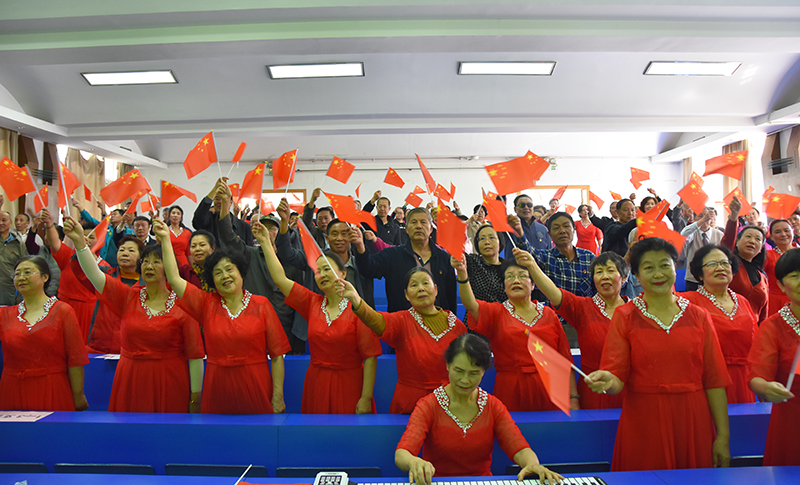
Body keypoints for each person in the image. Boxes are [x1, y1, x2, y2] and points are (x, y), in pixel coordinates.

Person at [586, 237, 731, 471]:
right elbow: (616, 377)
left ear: (675, 268)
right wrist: (606, 380)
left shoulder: (699, 315)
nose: (658, 274)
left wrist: (723, 436)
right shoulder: (625, 316)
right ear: (636, 275)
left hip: (693, 418)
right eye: (648, 268)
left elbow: (714, 379)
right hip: (644, 419)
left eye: (664, 265)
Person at [64, 217, 205, 413]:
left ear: (169, 267)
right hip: (130, 379)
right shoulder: (129, 297)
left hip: (170, 381)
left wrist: (195, 398)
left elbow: (195, 356)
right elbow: (95, 275)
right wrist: (80, 243)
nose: (149, 266)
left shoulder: (183, 305)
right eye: (145, 261)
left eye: (156, 262)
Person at [156, 219, 290, 414]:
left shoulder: (261, 304)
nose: (225, 276)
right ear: (212, 280)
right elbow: (175, 279)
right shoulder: (205, 303)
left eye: (229, 269)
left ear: (241, 273)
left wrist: (278, 395)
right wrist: (165, 239)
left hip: (256, 384)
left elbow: (277, 356)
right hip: (217, 386)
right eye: (218, 273)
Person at [395, 334, 564, 484]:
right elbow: (402, 453)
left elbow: (519, 448)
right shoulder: (428, 405)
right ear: (447, 366)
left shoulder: (493, 406)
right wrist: (414, 462)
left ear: (484, 371)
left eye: (474, 373)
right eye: (459, 371)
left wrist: (532, 464)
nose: (465, 380)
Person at [257, 217, 381, 414]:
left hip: (350, 384)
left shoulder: (358, 309)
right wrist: (265, 243)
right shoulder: (311, 303)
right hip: (316, 383)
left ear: (343, 274)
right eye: (318, 271)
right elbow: (280, 279)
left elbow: (371, 358)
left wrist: (365, 398)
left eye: (327, 269)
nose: (321, 274)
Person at [453, 250, 578, 412]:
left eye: (522, 276)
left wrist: (573, 397)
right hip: (510, 389)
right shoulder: (497, 312)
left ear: (533, 285)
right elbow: (471, 305)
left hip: (550, 389)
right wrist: (462, 274)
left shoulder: (549, 314)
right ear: (504, 287)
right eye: (510, 276)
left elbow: (565, 360)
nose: (516, 280)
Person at [337, 266, 467, 414]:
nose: (421, 288)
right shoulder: (401, 321)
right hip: (410, 404)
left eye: (426, 283)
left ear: (436, 289)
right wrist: (356, 299)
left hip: (449, 402)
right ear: (406, 295)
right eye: (414, 285)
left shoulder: (457, 326)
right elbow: (376, 321)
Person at [524, 250, 628, 409]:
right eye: (599, 272)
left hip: (629, 391)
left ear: (624, 277)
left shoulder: (636, 311)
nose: (604, 276)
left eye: (610, 270)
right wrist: (532, 265)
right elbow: (554, 293)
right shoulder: (583, 308)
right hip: (594, 391)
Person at [0, 256, 89, 411]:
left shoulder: (62, 311)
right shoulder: (4, 315)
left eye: (27, 272)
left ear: (45, 277)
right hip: (12, 389)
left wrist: (78, 394)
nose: (21, 277)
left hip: (52, 387)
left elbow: (75, 358)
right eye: (17, 274)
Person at [683, 245, 757, 404]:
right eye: (712, 264)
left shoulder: (743, 301)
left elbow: (756, 344)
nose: (720, 268)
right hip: (709, 379)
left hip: (744, 379)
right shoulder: (688, 302)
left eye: (724, 263)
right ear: (700, 274)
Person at [748, 247, 800, 466]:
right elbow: (757, 376)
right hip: (793, 418)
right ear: (781, 285)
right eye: (795, 276)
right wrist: (766, 387)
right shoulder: (773, 326)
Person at [354, 207, 457, 314]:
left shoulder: (444, 258)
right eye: (414, 222)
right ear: (407, 229)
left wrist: (451, 320)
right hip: (402, 321)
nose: (419, 226)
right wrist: (360, 246)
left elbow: (451, 296)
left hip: (437, 321)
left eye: (423, 222)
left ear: (431, 229)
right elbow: (368, 268)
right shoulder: (393, 255)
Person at [722, 197, 768, 322]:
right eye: (748, 236)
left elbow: (763, 313)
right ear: (737, 242)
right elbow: (727, 240)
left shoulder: (762, 277)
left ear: (761, 249)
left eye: (758, 239)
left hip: (754, 330)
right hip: (729, 324)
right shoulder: (729, 262)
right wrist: (734, 216)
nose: (752, 241)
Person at [680, 207, 723, 291]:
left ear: (711, 219)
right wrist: (703, 220)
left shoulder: (719, 234)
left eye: (707, 216)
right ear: (695, 218)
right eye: (700, 216)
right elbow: (683, 235)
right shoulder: (692, 233)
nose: (705, 218)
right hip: (693, 279)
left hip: (714, 277)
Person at [764, 219, 796, 316]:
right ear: (772, 236)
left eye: (786, 230)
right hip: (775, 303)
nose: (783, 234)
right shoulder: (767, 256)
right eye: (778, 232)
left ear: (793, 231)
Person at [0, 201, 29, 306]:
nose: (1, 223)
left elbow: (24, 265)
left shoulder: (18, 244)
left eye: (4, 220)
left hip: (9, 290)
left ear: (10, 222)